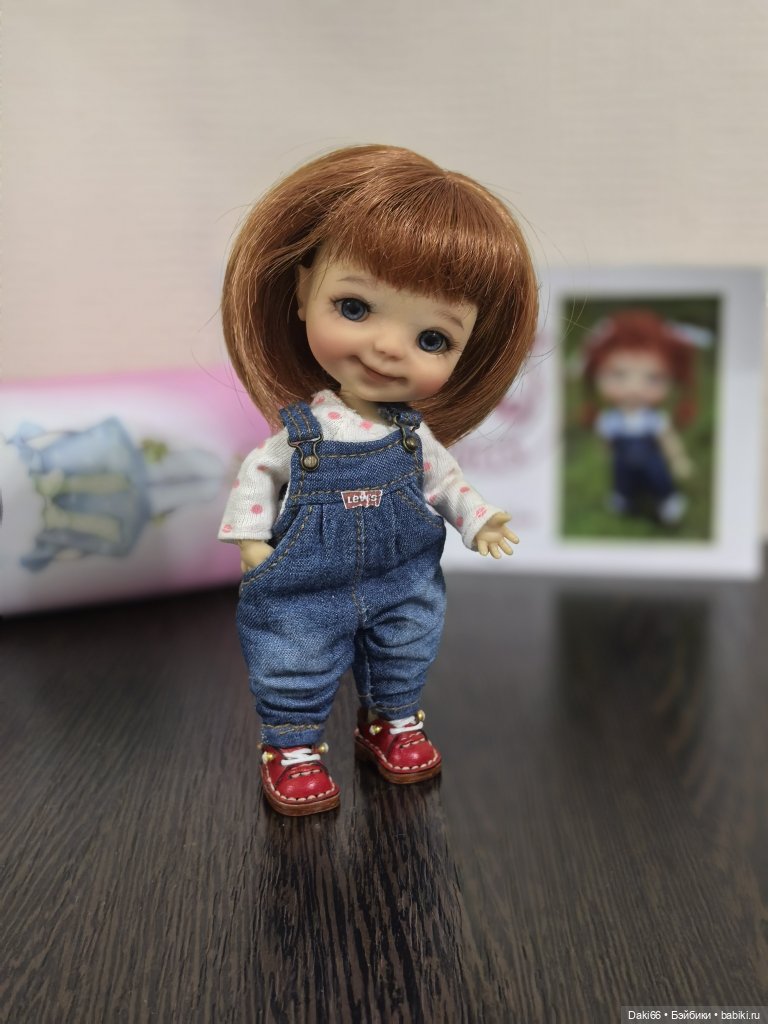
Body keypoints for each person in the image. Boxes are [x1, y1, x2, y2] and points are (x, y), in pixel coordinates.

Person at [218, 145, 538, 816]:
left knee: (406, 645)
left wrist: (479, 520)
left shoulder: (414, 438)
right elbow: (259, 475)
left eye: (432, 339)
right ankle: (293, 747)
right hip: (305, 580)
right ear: (301, 291)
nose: (389, 348)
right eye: (356, 307)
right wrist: (251, 540)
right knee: (293, 655)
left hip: (400, 574)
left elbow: (445, 482)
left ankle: (391, 720)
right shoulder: (301, 433)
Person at [582, 310, 695, 525]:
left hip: (651, 460)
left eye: (652, 378)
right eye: (619, 375)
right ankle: (623, 498)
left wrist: (678, 459)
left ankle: (667, 499)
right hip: (622, 461)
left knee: (658, 477)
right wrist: (605, 451)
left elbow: (667, 439)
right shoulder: (610, 420)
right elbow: (606, 441)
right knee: (622, 477)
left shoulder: (653, 419)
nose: (634, 388)